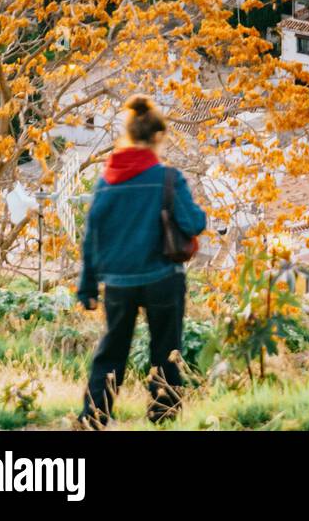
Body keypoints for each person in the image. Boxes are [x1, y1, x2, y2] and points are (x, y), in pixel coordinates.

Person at [77, 94, 206, 428]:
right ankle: (163, 418)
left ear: (128, 134)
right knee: (166, 351)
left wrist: (87, 286)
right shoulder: (167, 178)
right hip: (163, 277)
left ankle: (93, 417)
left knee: (111, 353)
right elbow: (193, 224)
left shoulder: (107, 182)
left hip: (118, 281)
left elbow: (91, 236)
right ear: (158, 138)